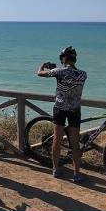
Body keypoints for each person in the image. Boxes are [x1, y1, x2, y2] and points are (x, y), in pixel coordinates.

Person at [37, 46, 88, 183]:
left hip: (59, 108)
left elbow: (39, 73)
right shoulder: (83, 74)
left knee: (57, 140)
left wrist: (44, 65)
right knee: (75, 143)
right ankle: (76, 174)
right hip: (75, 110)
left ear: (63, 58)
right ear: (75, 58)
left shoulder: (58, 71)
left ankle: (55, 169)